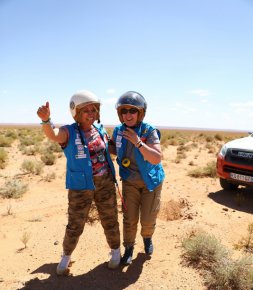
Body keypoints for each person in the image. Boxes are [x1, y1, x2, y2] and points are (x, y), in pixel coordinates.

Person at [37, 90, 121, 275]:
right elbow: (53, 134)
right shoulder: (69, 131)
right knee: (75, 224)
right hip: (80, 186)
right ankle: (66, 257)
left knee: (110, 219)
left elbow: (110, 150)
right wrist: (46, 121)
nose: (91, 113)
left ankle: (116, 252)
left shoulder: (100, 130)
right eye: (86, 110)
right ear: (76, 112)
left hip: (105, 183)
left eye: (94, 109)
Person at [112, 91, 165, 265]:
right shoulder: (118, 131)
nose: (128, 115)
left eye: (132, 111)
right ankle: (128, 248)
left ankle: (147, 238)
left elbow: (156, 157)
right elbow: (115, 149)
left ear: (140, 112)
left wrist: (138, 142)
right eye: (124, 111)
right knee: (129, 218)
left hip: (151, 182)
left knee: (148, 218)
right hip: (129, 182)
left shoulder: (149, 131)